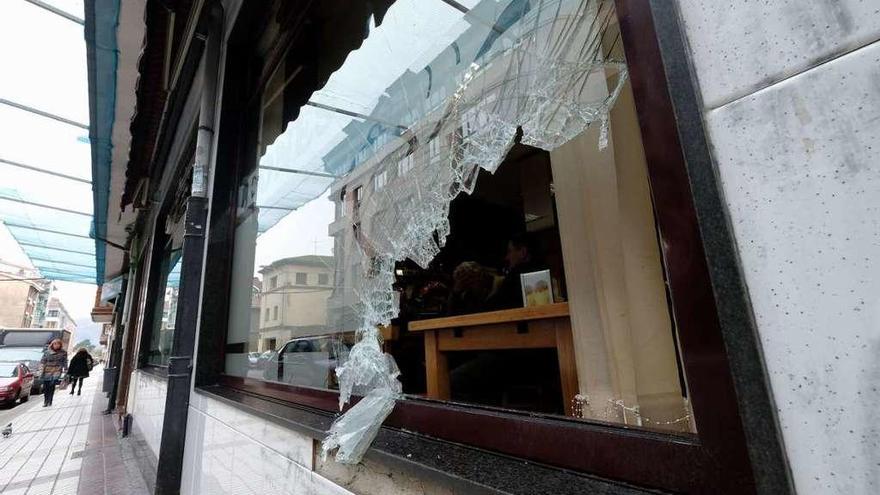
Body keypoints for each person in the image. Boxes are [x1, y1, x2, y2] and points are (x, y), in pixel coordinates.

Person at [487, 233, 543, 309]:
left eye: (510, 251)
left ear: (523, 252)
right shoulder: (543, 274)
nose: (507, 257)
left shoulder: (514, 277)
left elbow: (493, 307)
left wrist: (495, 287)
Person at [39, 339, 67, 407]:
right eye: (55, 344)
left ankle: (50, 401)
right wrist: (40, 370)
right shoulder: (47, 352)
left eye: (58, 344)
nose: (56, 345)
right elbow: (43, 361)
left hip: (56, 370)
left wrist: (66, 369)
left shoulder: (63, 352)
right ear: (52, 344)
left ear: (60, 345)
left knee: (52, 385)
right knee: (46, 387)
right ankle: (45, 401)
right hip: (47, 371)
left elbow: (65, 361)